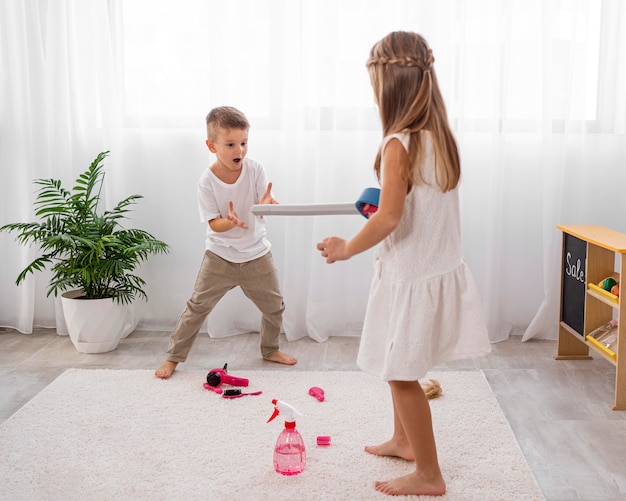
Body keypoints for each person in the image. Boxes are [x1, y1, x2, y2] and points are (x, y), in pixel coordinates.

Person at [317, 32, 491, 496]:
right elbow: (417, 207)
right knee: (402, 362)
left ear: (388, 84)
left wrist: (346, 246)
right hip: (431, 269)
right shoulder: (440, 139)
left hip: (411, 276)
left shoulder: (398, 144)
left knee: (400, 374)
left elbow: (391, 217)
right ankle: (402, 441)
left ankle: (430, 475)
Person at [156, 106, 297, 379]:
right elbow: (214, 225)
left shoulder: (255, 169)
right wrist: (230, 220)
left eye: (244, 143)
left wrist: (266, 204)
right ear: (211, 146)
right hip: (220, 257)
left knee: (274, 307)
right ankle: (173, 357)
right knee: (197, 307)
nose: (239, 150)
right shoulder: (206, 182)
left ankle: (269, 350)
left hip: (256, 254)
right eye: (231, 144)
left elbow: (261, 206)